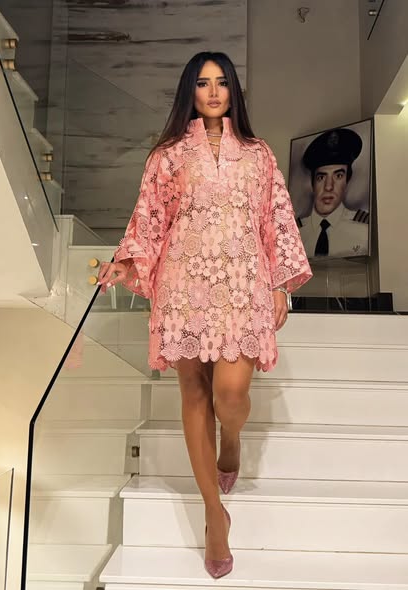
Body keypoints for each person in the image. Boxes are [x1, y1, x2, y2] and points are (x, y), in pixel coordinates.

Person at [97, 52, 312, 579]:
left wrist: (280, 283)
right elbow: (149, 219)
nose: (213, 92)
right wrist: (126, 263)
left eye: (221, 82)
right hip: (184, 286)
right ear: (189, 92)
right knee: (194, 392)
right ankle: (214, 513)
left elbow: (278, 219)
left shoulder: (259, 153)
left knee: (230, 396)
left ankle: (231, 441)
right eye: (202, 83)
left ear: (233, 90)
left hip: (242, 286)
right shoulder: (167, 155)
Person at [297, 128, 370, 258]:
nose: (329, 187)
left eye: (338, 176)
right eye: (321, 177)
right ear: (313, 184)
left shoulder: (364, 230)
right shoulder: (296, 233)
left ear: (347, 181)